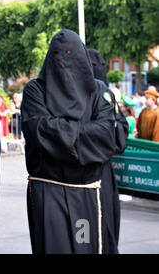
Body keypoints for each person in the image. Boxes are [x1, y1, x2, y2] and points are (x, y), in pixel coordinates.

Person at [22, 29, 123, 254]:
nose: (64, 60)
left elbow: (107, 135)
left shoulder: (98, 92)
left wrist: (60, 133)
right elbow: (39, 129)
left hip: (87, 194)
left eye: (70, 53)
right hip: (49, 195)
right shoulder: (35, 91)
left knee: (87, 245)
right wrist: (87, 135)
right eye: (58, 53)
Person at [88, 47, 128, 253]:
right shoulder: (105, 96)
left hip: (96, 175)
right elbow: (120, 140)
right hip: (98, 176)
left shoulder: (104, 96)